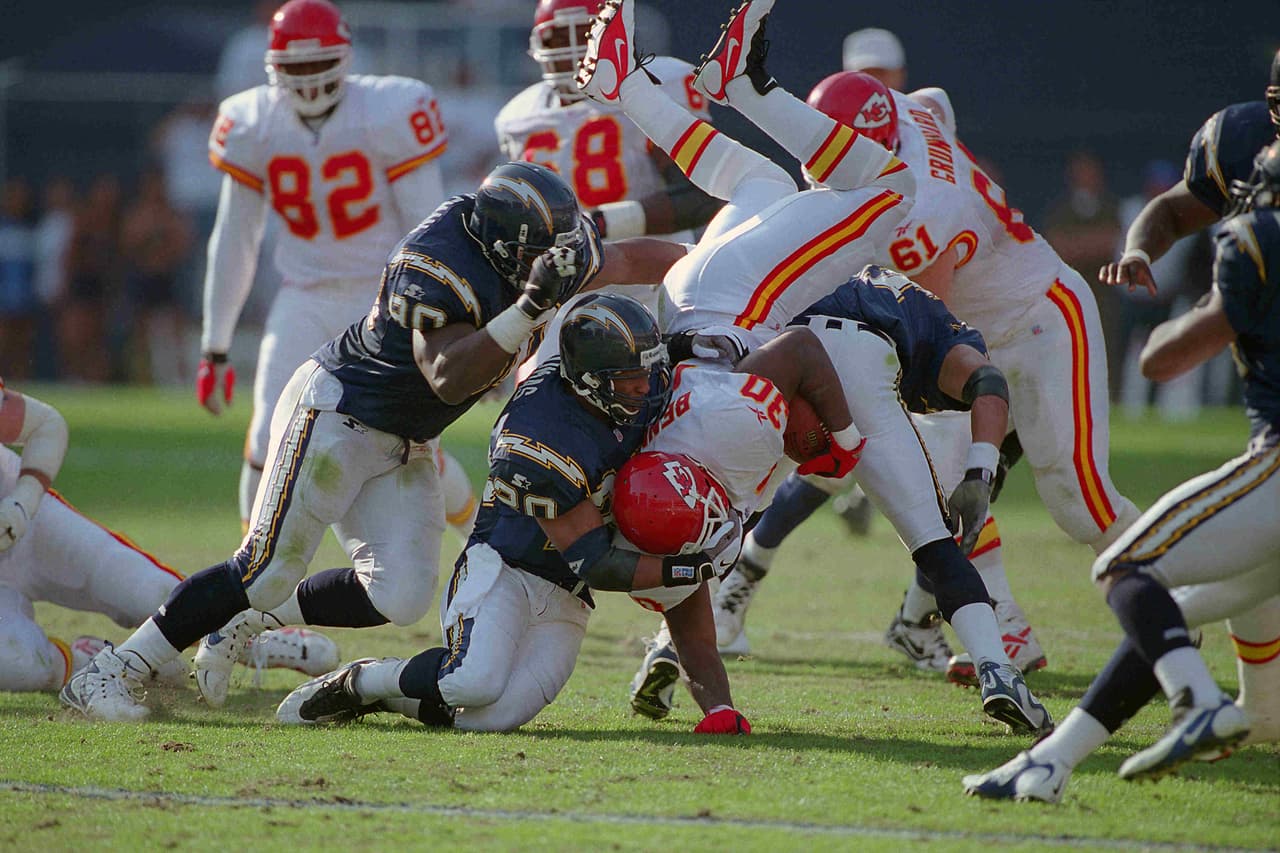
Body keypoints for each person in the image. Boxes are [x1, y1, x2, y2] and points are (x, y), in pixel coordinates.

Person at [60, 159, 688, 721]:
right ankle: (112, 671)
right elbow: (445, 378)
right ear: (503, 249)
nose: (553, 265)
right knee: (265, 566)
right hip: (340, 413)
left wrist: (710, 290)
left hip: (406, 437)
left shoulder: (535, 247)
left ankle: (244, 625)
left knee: (401, 594)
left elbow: (631, 261)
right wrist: (526, 308)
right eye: (535, 260)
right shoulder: (434, 262)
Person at [582, 0, 1048, 734]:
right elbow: (977, 375)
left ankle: (647, 89)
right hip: (747, 331)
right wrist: (963, 460)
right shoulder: (918, 313)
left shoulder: (721, 456)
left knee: (792, 183)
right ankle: (997, 668)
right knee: (882, 189)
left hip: (737, 326)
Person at [275, 293, 845, 732]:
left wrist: (690, 327)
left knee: (492, 717)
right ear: (591, 379)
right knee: (473, 680)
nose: (647, 386)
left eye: (647, 369)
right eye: (630, 376)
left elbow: (671, 337)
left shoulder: (643, 384)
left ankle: (385, 696)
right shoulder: (540, 436)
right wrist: (692, 567)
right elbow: (595, 560)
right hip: (508, 567)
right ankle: (361, 680)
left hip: (568, 595)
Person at [964, 140, 1280, 803]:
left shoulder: (1257, 235)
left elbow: (1162, 362)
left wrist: (1215, 305)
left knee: (1126, 569)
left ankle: (1194, 697)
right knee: (1184, 613)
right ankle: (1052, 762)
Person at [198, 0, 474, 541]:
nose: (306, 78)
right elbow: (235, 239)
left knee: (414, 445)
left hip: (384, 300)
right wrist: (215, 345)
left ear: (344, 57)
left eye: (316, 63)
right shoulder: (251, 120)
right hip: (302, 295)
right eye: (294, 67)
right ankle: (244, 591)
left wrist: (446, 316)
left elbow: (429, 227)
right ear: (273, 66)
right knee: (264, 440)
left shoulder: (388, 108)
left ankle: (486, 550)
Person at [1097, 48, 1280, 759]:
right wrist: (1141, 249)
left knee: (1144, 574)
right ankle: (1250, 710)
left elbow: (1163, 357)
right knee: (1240, 567)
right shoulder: (1237, 145)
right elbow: (1172, 211)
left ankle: (1187, 693)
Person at [0, 379, 337, 695]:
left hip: (25, 525)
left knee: (151, 591)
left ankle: (243, 639)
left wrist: (21, 503)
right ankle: (88, 663)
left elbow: (46, 425)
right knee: (23, 665)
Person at [497, 0, 722, 365]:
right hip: (568, 288)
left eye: (584, 34)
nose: (571, 51)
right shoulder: (518, 117)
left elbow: (701, 195)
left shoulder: (657, 83)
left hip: (657, 279)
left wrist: (598, 222)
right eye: (557, 38)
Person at [119, 168, 194, 385]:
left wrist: (163, 239)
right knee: (140, 333)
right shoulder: (138, 214)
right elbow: (129, 243)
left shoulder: (171, 213)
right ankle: (141, 378)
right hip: (144, 277)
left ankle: (183, 377)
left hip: (167, 276)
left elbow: (183, 243)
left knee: (176, 330)